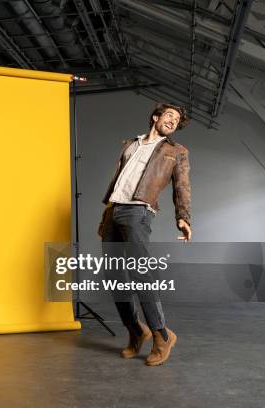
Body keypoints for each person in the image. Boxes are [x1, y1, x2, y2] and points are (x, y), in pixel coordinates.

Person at [97, 102, 192, 366]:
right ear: (156, 117)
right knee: (115, 277)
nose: (173, 121)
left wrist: (183, 218)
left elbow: (182, 187)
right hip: (114, 211)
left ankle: (162, 335)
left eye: (177, 120)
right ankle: (137, 332)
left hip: (138, 212)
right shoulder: (131, 144)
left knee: (141, 273)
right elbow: (120, 182)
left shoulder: (177, 151)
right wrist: (107, 215)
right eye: (169, 115)